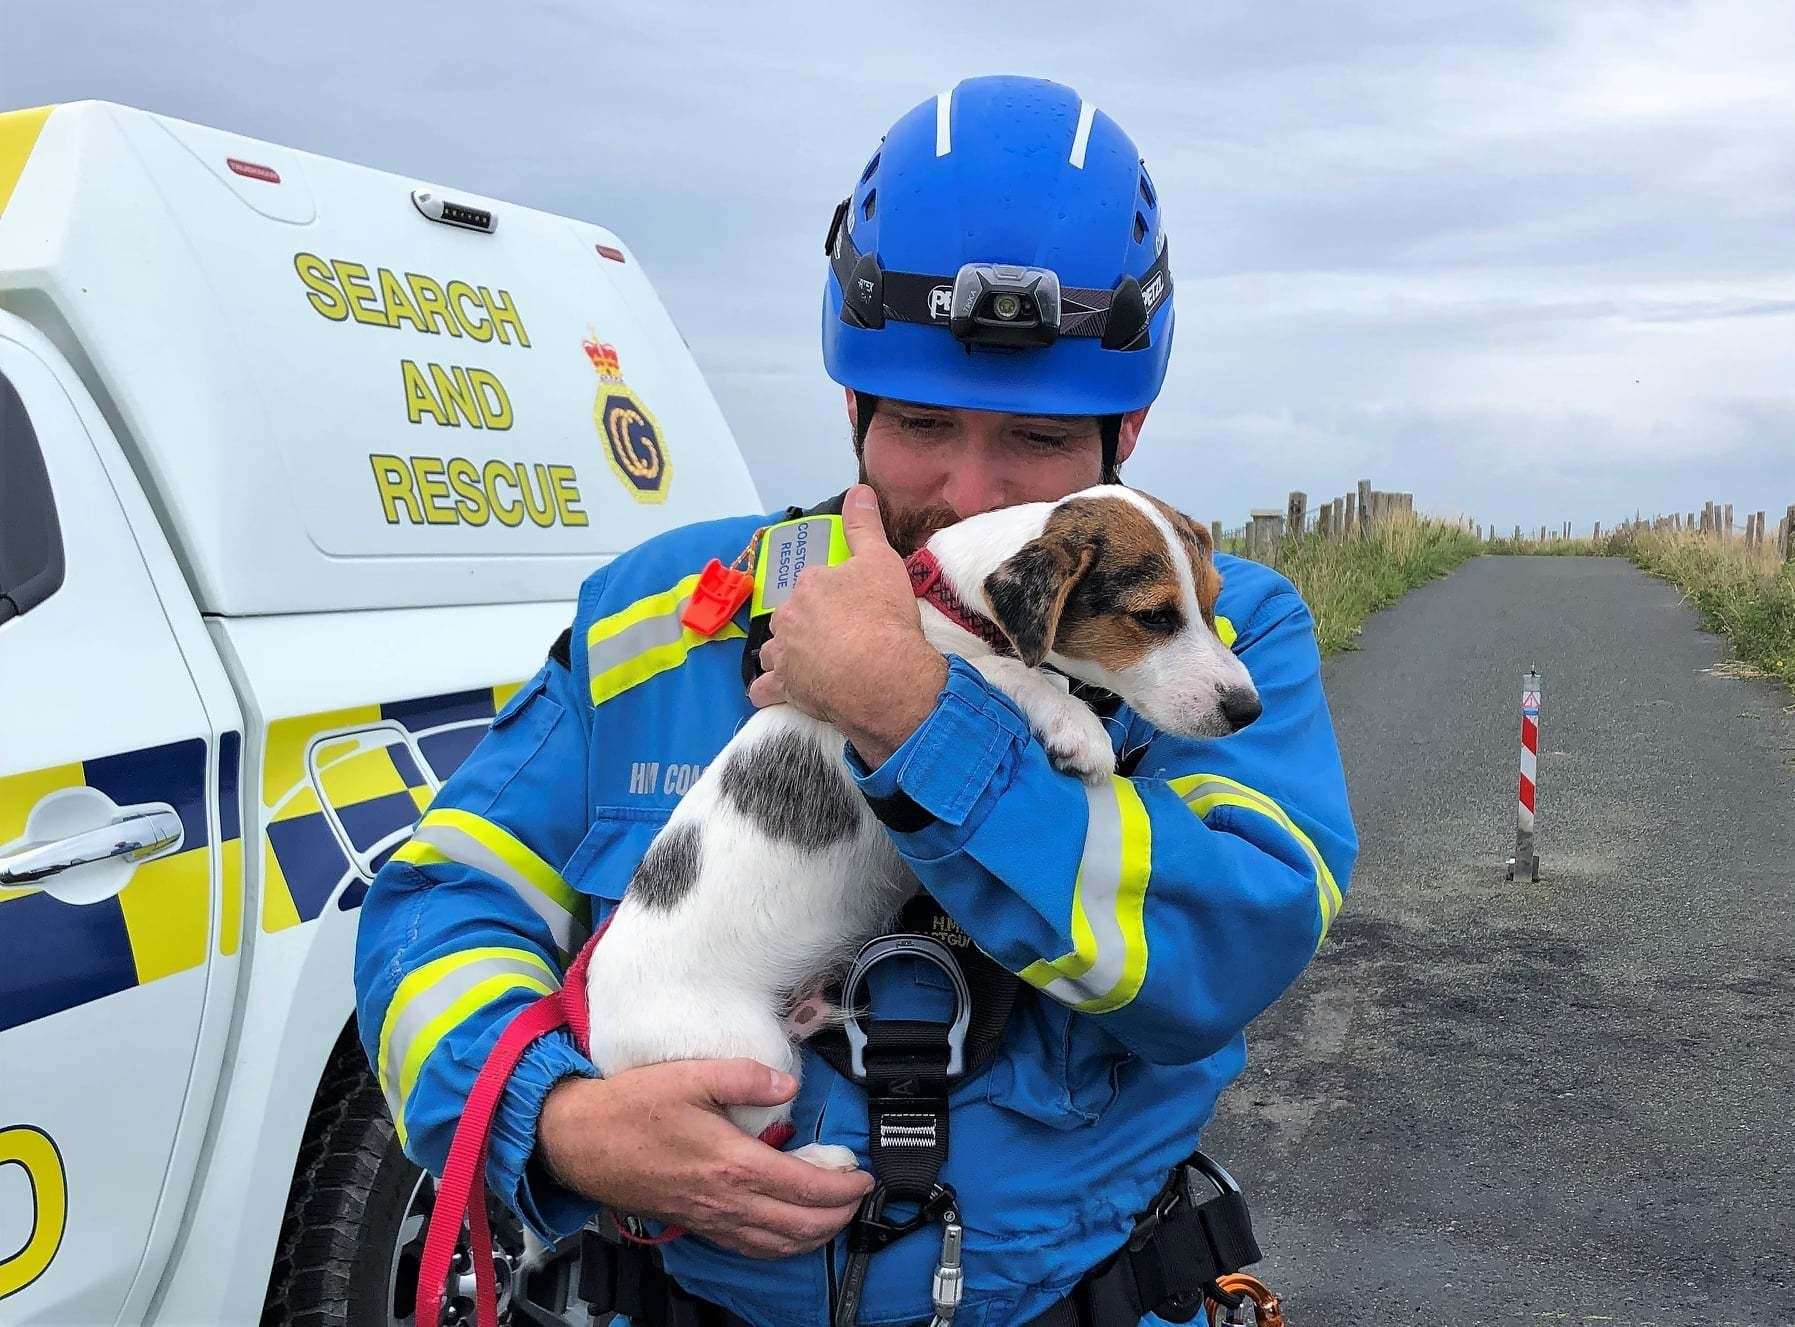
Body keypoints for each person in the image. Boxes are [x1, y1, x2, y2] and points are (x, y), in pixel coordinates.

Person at [355, 74, 1356, 1326]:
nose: (970, 484)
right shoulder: (656, 607)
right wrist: (550, 1118)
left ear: (1126, 433)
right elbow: (437, 904)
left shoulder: (1213, 631)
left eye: (1039, 440)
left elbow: (1231, 947)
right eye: (922, 421)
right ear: (851, 406)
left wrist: (919, 713)